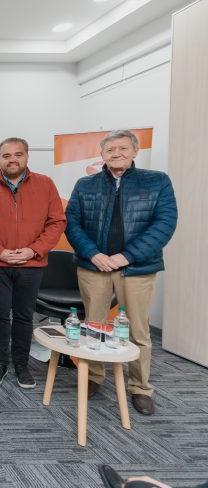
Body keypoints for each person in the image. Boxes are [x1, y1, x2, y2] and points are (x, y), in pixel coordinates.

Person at [65, 130, 177, 416]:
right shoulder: (85, 184)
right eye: (110, 149)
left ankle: (140, 387)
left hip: (136, 268)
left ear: (135, 151)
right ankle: (94, 377)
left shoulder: (157, 181)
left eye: (123, 148)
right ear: (101, 155)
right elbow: (72, 223)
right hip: (94, 266)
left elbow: (164, 223)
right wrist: (94, 254)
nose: (116, 153)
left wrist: (126, 256)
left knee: (138, 330)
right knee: (94, 326)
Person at [0, 137, 66, 389]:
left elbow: (56, 222)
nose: (12, 159)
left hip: (31, 264)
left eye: (18, 155)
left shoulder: (45, 184)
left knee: (25, 316)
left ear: (26, 157)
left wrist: (33, 251)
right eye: (6, 155)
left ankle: (22, 364)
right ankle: (0, 363)